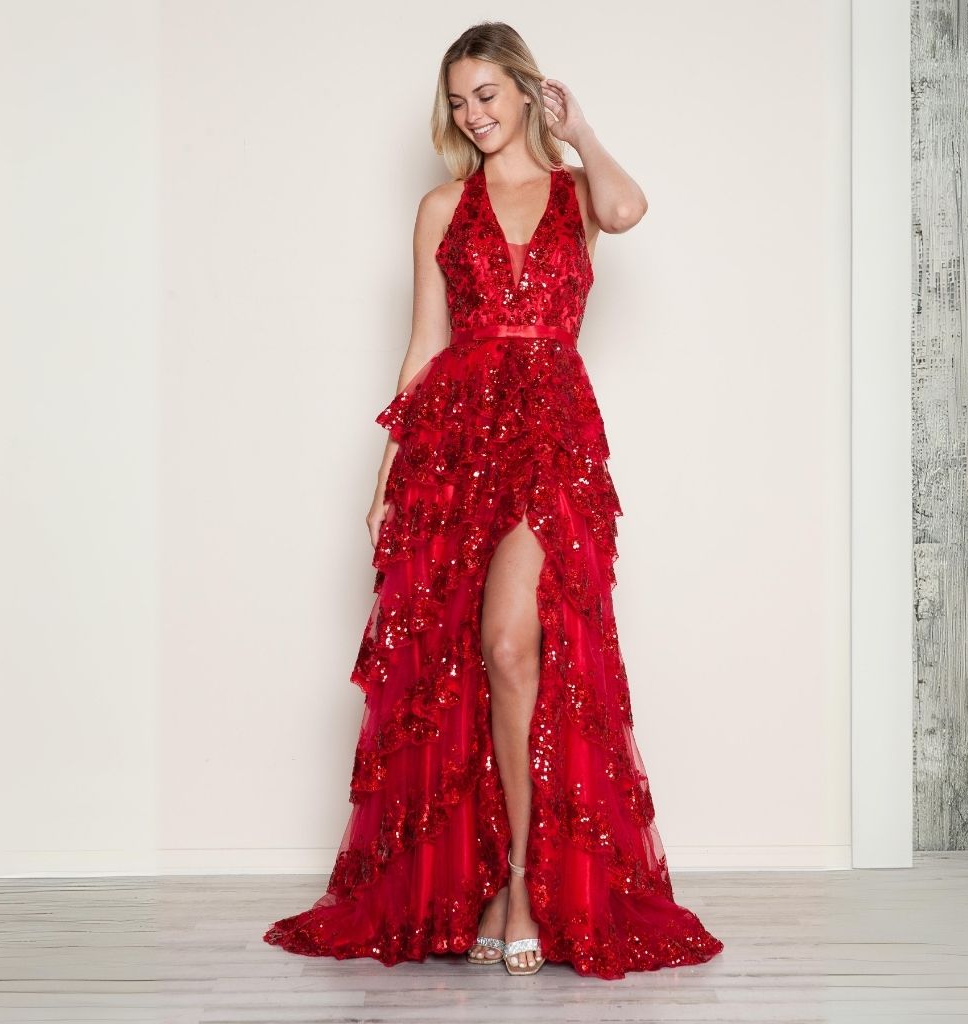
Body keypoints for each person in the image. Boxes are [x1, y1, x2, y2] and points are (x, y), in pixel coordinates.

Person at [263, 21, 724, 980]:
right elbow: (424, 345)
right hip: (455, 443)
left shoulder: (574, 195)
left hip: (552, 432)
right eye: (460, 100)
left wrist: (583, 130)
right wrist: (387, 474)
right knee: (451, 660)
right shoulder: (441, 208)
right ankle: (472, 878)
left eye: (489, 95)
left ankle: (523, 880)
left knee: (513, 643)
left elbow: (631, 207)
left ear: (525, 91)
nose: (474, 115)